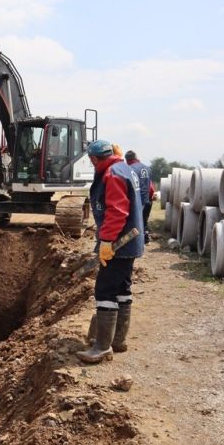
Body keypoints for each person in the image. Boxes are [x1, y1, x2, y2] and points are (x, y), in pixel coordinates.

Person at [77, 140, 145, 364]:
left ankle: (102, 347)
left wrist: (106, 241)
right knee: (122, 288)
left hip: (118, 243)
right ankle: (118, 340)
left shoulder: (113, 174)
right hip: (130, 243)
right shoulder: (124, 168)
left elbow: (116, 211)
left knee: (105, 290)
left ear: (94, 158)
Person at [125, 150, 155, 243]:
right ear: (136, 158)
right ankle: (145, 238)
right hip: (147, 199)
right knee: (144, 220)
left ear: (127, 160)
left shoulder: (130, 169)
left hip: (136, 201)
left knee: (134, 222)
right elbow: (151, 187)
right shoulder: (148, 168)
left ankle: (136, 242)